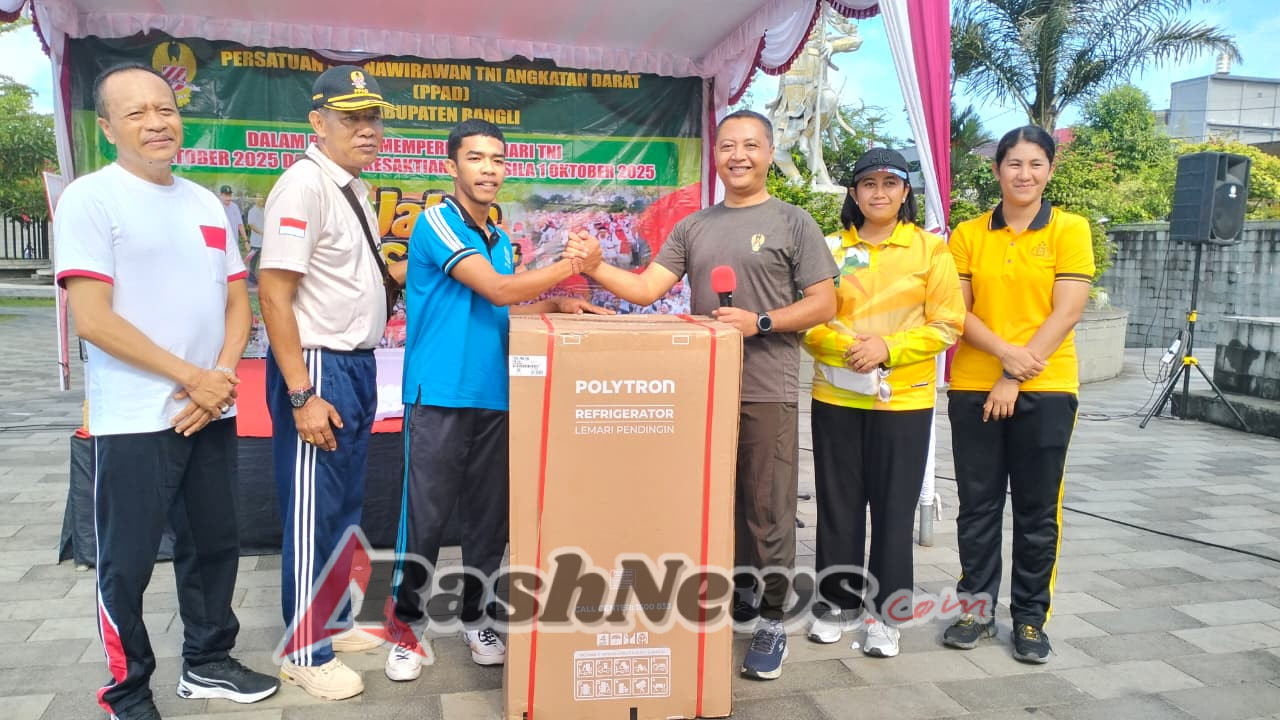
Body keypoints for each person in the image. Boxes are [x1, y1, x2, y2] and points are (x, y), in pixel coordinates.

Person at [54, 63, 278, 720]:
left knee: (213, 546)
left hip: (209, 409)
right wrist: (191, 378)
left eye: (166, 109)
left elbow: (240, 302)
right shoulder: (92, 200)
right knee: (126, 563)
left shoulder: (207, 202)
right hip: (135, 418)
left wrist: (218, 381)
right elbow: (93, 319)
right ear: (107, 128)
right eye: (136, 113)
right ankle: (127, 692)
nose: (156, 123)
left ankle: (208, 663)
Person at [581, 109, 837, 680]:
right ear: (715, 154)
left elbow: (824, 303)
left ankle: (773, 619)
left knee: (767, 505)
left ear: (770, 154)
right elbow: (648, 289)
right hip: (704, 387)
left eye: (750, 145)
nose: (738, 155)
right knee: (715, 504)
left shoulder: (794, 221)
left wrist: (761, 323)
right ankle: (738, 592)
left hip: (765, 389)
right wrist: (597, 268)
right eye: (727, 146)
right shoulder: (693, 226)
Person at [384, 118, 608, 682]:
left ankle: (476, 616)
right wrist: (571, 267)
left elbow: (503, 310)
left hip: (498, 395)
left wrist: (557, 305)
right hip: (437, 394)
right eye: (477, 158)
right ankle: (406, 628)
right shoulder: (438, 222)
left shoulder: (500, 238)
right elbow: (499, 288)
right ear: (452, 166)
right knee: (427, 520)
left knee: (489, 521)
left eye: (497, 160)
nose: (488, 169)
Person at [257, 65, 395, 700]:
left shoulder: (353, 188)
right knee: (313, 511)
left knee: (341, 507)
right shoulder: (303, 186)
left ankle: (333, 623)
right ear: (317, 123)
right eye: (350, 118)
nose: (366, 129)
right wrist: (300, 393)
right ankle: (304, 651)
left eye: (371, 117)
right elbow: (275, 294)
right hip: (316, 366)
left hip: (356, 363)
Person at [801, 148, 964, 658]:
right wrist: (851, 351)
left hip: (905, 400)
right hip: (836, 394)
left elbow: (947, 324)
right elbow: (808, 319)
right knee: (838, 504)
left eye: (890, 183)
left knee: (893, 511)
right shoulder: (828, 249)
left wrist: (887, 349)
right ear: (853, 193)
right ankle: (835, 604)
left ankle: (886, 616)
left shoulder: (930, 252)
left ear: (905, 192)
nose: (879, 192)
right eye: (867, 183)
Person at [942, 126, 1094, 664]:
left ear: (1050, 170)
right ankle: (975, 609)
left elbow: (1068, 310)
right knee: (977, 506)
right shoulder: (968, 234)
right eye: (1014, 164)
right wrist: (1003, 356)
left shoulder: (1069, 230)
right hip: (973, 387)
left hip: (1046, 388)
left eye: (1035, 164)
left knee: (1036, 510)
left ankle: (1030, 619)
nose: (1024, 174)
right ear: (997, 170)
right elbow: (956, 312)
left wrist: (1015, 373)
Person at [219, 185, 248, 253]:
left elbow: (240, 225)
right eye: (226, 195)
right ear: (221, 195)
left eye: (229, 195)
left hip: (234, 244)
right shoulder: (217, 207)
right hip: (222, 245)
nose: (228, 198)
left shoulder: (235, 207)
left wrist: (246, 241)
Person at [245, 194, 264, 282]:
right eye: (258, 198)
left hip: (264, 241)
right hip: (256, 241)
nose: (260, 200)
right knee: (253, 260)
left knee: (263, 260)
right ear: (255, 199)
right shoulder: (252, 211)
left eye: (262, 198)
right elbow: (251, 225)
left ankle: (262, 276)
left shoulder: (264, 210)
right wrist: (262, 232)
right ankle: (251, 277)